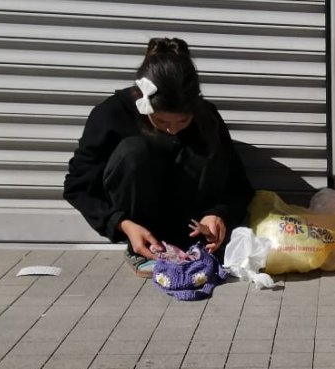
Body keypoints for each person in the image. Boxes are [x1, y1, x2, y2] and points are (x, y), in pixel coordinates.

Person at [63, 37, 253, 276]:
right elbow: (77, 187)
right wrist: (122, 224)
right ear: (143, 101)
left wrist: (219, 214)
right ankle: (141, 248)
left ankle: (190, 246)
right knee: (134, 152)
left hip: (195, 232)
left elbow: (239, 186)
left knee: (205, 141)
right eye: (161, 121)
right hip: (141, 228)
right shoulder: (111, 115)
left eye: (183, 120)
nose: (172, 129)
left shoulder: (207, 117)